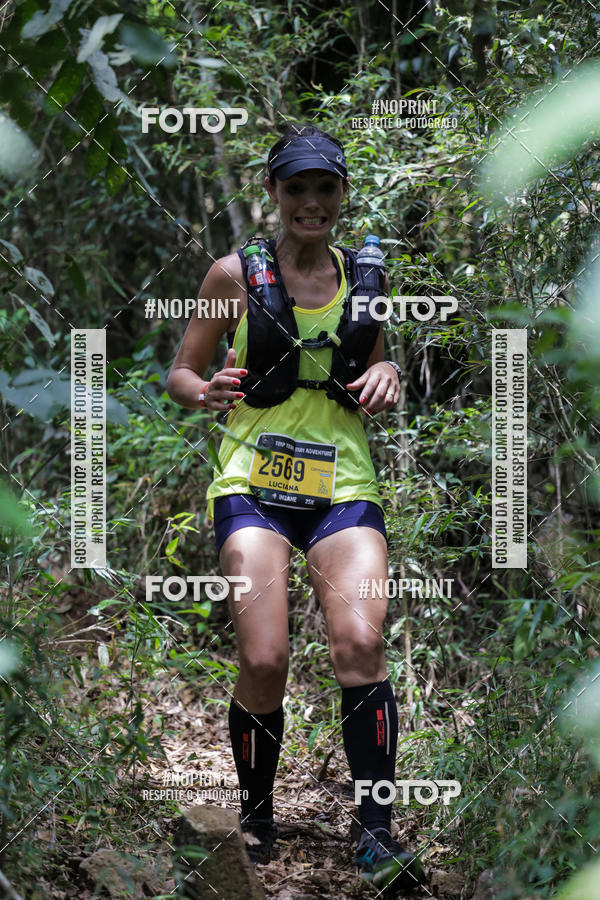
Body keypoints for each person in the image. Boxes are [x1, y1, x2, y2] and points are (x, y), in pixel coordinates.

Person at [166, 124, 425, 892]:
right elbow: (183, 370)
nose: (311, 202)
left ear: (341, 195)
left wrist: (389, 381)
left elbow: (374, 365)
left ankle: (375, 833)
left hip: (344, 487)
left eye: (325, 188)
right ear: (274, 194)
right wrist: (204, 390)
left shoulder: (368, 278)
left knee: (359, 646)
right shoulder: (232, 276)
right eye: (296, 188)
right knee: (265, 658)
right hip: (251, 483)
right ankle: (254, 816)